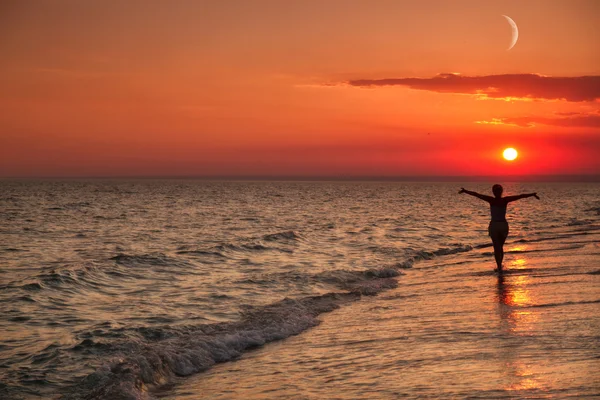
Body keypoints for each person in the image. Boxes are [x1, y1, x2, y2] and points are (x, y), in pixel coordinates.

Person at [459, 184, 540, 272]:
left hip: (497, 226)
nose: (496, 192)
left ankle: (499, 266)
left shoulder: (493, 200)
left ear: (495, 192)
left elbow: (477, 194)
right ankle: (499, 266)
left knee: (497, 247)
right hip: (501, 225)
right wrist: (532, 194)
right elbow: (520, 196)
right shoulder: (502, 200)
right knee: (499, 247)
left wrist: (465, 191)